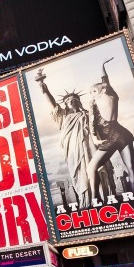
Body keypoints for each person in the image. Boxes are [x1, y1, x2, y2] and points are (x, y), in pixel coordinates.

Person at [34, 67, 93, 209]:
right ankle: (85, 200)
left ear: (78, 102)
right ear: (65, 104)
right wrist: (42, 84)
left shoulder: (87, 114)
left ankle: (98, 197)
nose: (71, 101)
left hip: (90, 146)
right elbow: (53, 103)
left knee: (93, 169)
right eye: (68, 101)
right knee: (79, 173)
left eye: (74, 100)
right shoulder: (63, 116)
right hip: (72, 147)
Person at [86, 57, 134, 198]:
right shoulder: (112, 96)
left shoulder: (99, 100)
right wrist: (102, 66)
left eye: (94, 91)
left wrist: (95, 139)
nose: (91, 94)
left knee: (91, 167)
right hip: (122, 134)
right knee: (130, 166)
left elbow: (91, 124)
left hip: (110, 137)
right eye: (91, 92)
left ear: (102, 90)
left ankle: (94, 199)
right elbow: (106, 81)